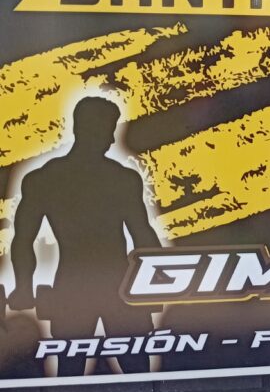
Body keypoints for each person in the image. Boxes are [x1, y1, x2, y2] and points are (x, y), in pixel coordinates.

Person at [8, 96, 160, 376]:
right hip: (93, 286)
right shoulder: (115, 178)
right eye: (108, 131)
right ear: (86, 128)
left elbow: (143, 235)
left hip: (100, 285)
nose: (111, 140)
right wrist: (23, 287)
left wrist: (158, 280)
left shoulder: (47, 179)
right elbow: (23, 239)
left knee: (130, 368)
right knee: (80, 369)